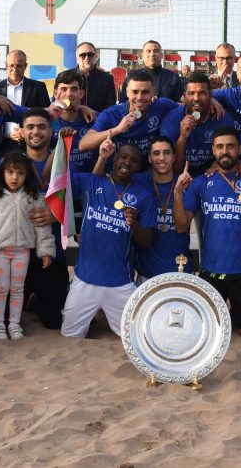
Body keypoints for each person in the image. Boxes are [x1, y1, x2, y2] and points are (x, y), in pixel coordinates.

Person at [0, 107, 69, 331]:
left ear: (50, 131)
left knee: (55, 322)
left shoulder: (63, 163)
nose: (35, 132)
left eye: (41, 127)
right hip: (16, 253)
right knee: (1, 317)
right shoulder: (9, 164)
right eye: (30, 127)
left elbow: (80, 206)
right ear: (22, 131)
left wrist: (57, 215)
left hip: (50, 256)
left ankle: (34, 301)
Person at [174, 127, 241, 338]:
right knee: (207, 335)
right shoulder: (201, 182)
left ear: (239, 149)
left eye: (230, 146)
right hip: (211, 272)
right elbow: (181, 226)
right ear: (213, 150)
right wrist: (178, 193)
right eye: (220, 147)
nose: (225, 151)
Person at [61, 141, 155, 338]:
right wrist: (64, 144)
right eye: (123, 157)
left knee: (137, 339)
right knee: (69, 336)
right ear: (115, 158)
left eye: (134, 161)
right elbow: (56, 181)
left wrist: (134, 224)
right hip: (85, 279)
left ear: (139, 167)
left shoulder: (144, 195)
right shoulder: (92, 182)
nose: (127, 163)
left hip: (121, 282)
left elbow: (146, 240)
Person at [0, 152, 56, 340]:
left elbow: (42, 227)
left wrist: (45, 250)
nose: (15, 177)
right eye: (10, 172)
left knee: (18, 288)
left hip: (22, 251)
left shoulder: (33, 197)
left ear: (27, 175)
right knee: (1, 287)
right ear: (3, 173)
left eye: (20, 173)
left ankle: (15, 324)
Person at [80, 70, 179, 163]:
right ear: (127, 92)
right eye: (135, 92)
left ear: (153, 93)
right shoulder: (113, 114)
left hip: (149, 173)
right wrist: (118, 129)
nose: (139, 97)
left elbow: (186, 107)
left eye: (145, 92)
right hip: (120, 174)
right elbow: (83, 144)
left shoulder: (162, 105)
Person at [130, 136, 192, 280]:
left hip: (181, 272)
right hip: (147, 274)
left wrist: (178, 192)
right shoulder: (137, 181)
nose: (162, 158)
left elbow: (182, 227)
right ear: (150, 158)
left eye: (167, 153)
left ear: (174, 157)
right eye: (156, 153)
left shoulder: (187, 183)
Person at [161, 71, 234, 177]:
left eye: (202, 93)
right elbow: (173, 169)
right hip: (179, 178)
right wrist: (182, 137)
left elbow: (233, 156)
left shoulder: (221, 118)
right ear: (184, 96)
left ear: (210, 95)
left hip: (211, 177)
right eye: (191, 93)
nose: (196, 98)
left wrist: (220, 164)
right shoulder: (172, 119)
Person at [0, 49, 51, 157]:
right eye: (11, 65)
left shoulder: (38, 88)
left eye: (19, 66)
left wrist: (26, 131)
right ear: (6, 65)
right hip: (1, 146)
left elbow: (45, 116)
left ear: (25, 66)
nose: (15, 69)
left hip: (30, 145)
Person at [48, 70, 98, 175]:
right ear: (56, 93)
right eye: (64, 89)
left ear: (82, 94)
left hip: (86, 184)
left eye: (74, 89)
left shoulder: (92, 118)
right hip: (58, 185)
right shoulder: (46, 120)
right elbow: (25, 113)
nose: (69, 94)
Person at [117, 40, 184, 103]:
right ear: (142, 55)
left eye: (156, 51)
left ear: (162, 55)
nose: (152, 54)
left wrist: (163, 103)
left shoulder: (173, 77)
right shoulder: (131, 76)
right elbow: (123, 103)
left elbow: (179, 105)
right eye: (148, 51)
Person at [70, 42, 117, 112]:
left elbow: (110, 106)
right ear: (76, 57)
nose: (87, 58)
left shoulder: (107, 79)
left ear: (96, 56)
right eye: (82, 55)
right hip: (70, 121)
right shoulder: (65, 77)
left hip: (97, 121)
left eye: (90, 55)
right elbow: (59, 102)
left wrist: (96, 116)